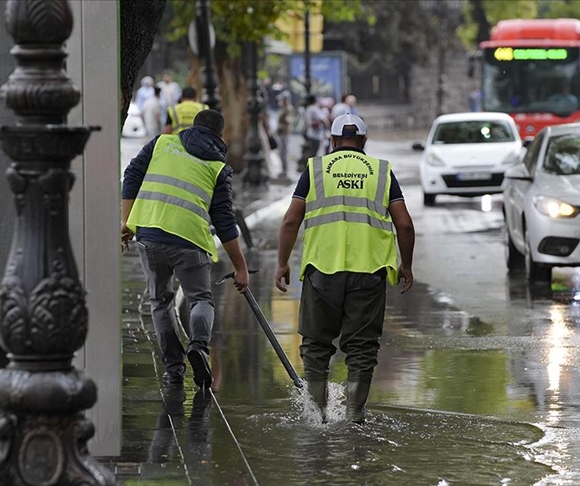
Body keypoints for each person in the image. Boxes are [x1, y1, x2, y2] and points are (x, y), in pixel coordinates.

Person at [275, 114, 416, 423]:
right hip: (369, 272)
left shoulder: (315, 170)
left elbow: (290, 220)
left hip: (321, 271)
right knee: (362, 349)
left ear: (333, 140)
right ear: (364, 141)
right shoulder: (381, 172)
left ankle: (318, 415)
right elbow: (404, 225)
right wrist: (406, 266)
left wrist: (282, 262)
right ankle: (354, 415)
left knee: (315, 346)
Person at [121, 109, 249, 389]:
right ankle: (199, 347)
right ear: (221, 135)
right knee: (201, 300)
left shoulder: (161, 143)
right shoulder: (218, 167)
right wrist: (240, 267)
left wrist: (127, 223)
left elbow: (131, 175)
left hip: (150, 234)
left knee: (160, 301)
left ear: (192, 127)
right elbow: (225, 221)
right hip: (190, 241)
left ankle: (174, 369)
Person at [299, 95, 325, 170]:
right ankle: (311, 167)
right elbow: (322, 118)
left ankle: (307, 166)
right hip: (315, 134)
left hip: (310, 133)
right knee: (314, 152)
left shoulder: (307, 109)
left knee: (310, 150)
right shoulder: (314, 109)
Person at [276, 93, 295, 178]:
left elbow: (288, 122)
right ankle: (283, 170)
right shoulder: (283, 109)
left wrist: (283, 129)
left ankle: (285, 170)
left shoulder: (288, 109)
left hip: (284, 134)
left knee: (283, 152)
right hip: (281, 133)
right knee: (281, 152)